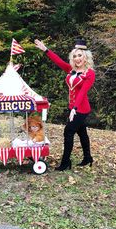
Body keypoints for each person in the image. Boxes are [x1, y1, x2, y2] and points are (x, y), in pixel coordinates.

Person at [34, 38, 95, 171]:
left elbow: (82, 92)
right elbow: (58, 61)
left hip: (81, 109)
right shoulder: (70, 69)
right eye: (75, 56)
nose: (77, 58)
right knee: (82, 132)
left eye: (80, 55)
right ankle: (87, 158)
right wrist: (46, 50)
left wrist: (75, 108)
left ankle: (65, 162)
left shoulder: (89, 73)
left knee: (68, 131)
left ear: (85, 57)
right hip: (73, 108)